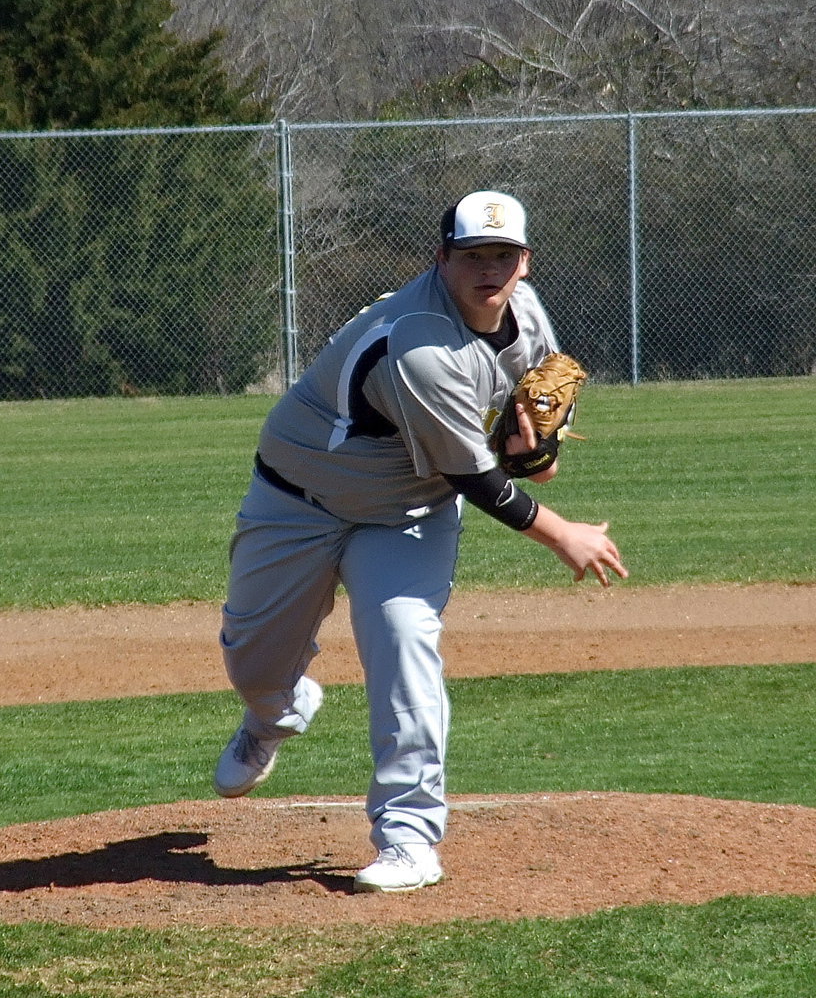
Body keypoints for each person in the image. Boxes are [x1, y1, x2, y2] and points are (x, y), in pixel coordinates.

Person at [212, 189, 628, 892]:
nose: (489, 269)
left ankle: (408, 837)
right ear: (442, 259)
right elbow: (476, 478)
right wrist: (564, 536)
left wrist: (536, 452)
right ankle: (273, 714)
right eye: (472, 255)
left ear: (526, 261)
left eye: (503, 254)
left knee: (405, 638)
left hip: (407, 513)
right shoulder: (419, 343)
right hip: (297, 498)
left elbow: (532, 446)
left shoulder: (527, 316)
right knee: (253, 662)